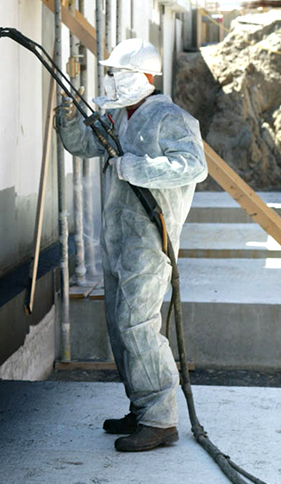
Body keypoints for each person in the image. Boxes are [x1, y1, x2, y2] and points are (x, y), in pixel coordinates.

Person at [56, 38, 208, 452]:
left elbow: (193, 166)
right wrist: (68, 117)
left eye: (119, 73)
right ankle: (142, 406)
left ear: (145, 77)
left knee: (137, 325)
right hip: (119, 238)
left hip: (149, 239)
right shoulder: (122, 116)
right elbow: (84, 144)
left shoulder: (170, 118)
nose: (112, 79)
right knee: (120, 325)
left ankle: (160, 420)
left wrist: (135, 166)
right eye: (110, 72)